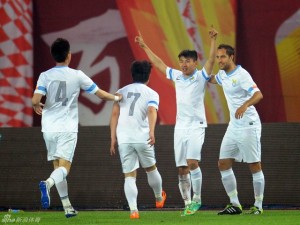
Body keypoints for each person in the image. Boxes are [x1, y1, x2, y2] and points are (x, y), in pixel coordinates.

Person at [32, 38, 122, 218]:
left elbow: (35, 100)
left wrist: (36, 105)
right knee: (64, 168)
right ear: (69, 55)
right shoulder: (77, 75)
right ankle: (47, 184)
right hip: (67, 127)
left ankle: (67, 207)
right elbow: (100, 95)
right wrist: (117, 98)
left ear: (53, 55)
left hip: (48, 128)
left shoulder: (45, 75)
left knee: (57, 166)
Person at [135, 28, 218, 216]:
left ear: (195, 62)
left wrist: (213, 40)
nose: (183, 64)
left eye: (187, 61)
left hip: (197, 126)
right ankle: (187, 203)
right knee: (181, 169)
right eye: (181, 61)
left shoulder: (201, 76)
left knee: (192, 162)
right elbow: (158, 63)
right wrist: (144, 46)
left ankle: (197, 199)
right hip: (180, 127)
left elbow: (212, 60)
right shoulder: (177, 76)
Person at [209, 44, 265, 215]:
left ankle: (258, 205)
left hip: (249, 124)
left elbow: (258, 94)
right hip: (234, 125)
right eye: (217, 57)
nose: (219, 60)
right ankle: (235, 204)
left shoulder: (242, 75)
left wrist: (245, 104)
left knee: (254, 165)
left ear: (231, 57)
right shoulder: (222, 75)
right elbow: (211, 79)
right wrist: (197, 76)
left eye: (223, 57)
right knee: (223, 163)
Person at [110, 60, 166, 219]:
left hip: (124, 138)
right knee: (151, 168)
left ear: (132, 74)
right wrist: (152, 131)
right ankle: (158, 197)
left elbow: (115, 114)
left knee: (129, 175)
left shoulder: (120, 91)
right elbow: (151, 111)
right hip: (143, 138)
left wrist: (113, 138)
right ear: (148, 76)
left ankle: (133, 210)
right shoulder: (152, 93)